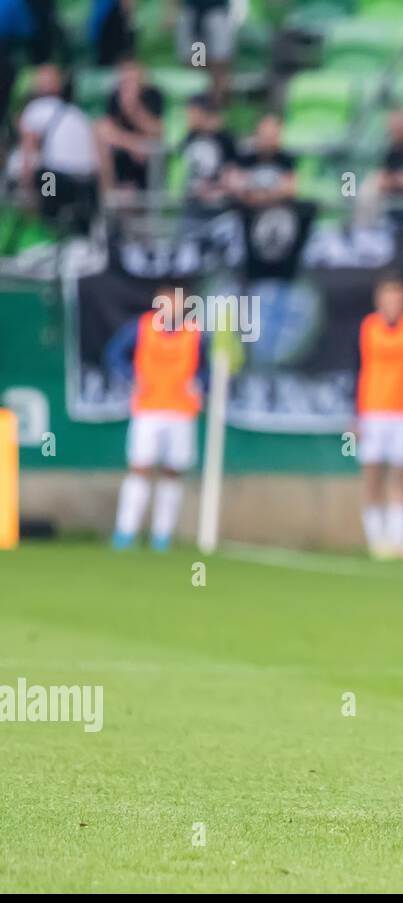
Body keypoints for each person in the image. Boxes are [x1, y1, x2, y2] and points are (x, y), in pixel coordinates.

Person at [105, 284, 206, 552]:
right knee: (140, 468)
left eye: (175, 303)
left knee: (173, 472)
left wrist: (201, 383)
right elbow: (114, 354)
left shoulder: (195, 333)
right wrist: (130, 376)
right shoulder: (141, 328)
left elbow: (213, 367)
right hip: (148, 408)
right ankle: (125, 533)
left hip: (182, 411)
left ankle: (162, 536)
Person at [356, 275, 403, 558]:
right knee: (372, 474)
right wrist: (356, 414)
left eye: (397, 298)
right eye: (387, 297)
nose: (392, 303)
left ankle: (397, 538)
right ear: (379, 300)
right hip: (372, 411)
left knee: (399, 473)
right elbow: (356, 368)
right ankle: (375, 537)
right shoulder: (368, 327)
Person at [15, 63, 100, 234]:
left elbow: (28, 152)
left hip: (55, 179)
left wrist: (26, 185)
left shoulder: (34, 110)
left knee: (45, 186)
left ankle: (45, 233)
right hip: (87, 183)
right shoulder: (78, 114)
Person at [95, 59, 165, 197]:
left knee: (152, 142)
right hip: (126, 149)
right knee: (99, 131)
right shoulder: (114, 96)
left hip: (147, 150)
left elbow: (157, 130)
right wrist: (131, 144)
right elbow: (105, 128)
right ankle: (107, 195)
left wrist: (134, 110)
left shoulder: (153, 95)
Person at [178, 92, 236, 217]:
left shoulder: (224, 139)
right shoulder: (188, 138)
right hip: (192, 203)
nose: (189, 116)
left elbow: (231, 170)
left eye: (192, 112)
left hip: (219, 204)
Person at [173, 0, 233, 104]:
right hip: (193, 11)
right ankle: (198, 104)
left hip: (217, 9)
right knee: (196, 62)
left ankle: (217, 102)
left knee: (219, 61)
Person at [230, 114, 296, 207]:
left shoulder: (288, 159)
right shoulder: (244, 156)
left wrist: (261, 197)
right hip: (245, 211)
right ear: (256, 134)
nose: (267, 140)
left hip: (277, 211)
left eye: (271, 135)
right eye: (263, 134)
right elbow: (233, 184)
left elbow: (291, 188)